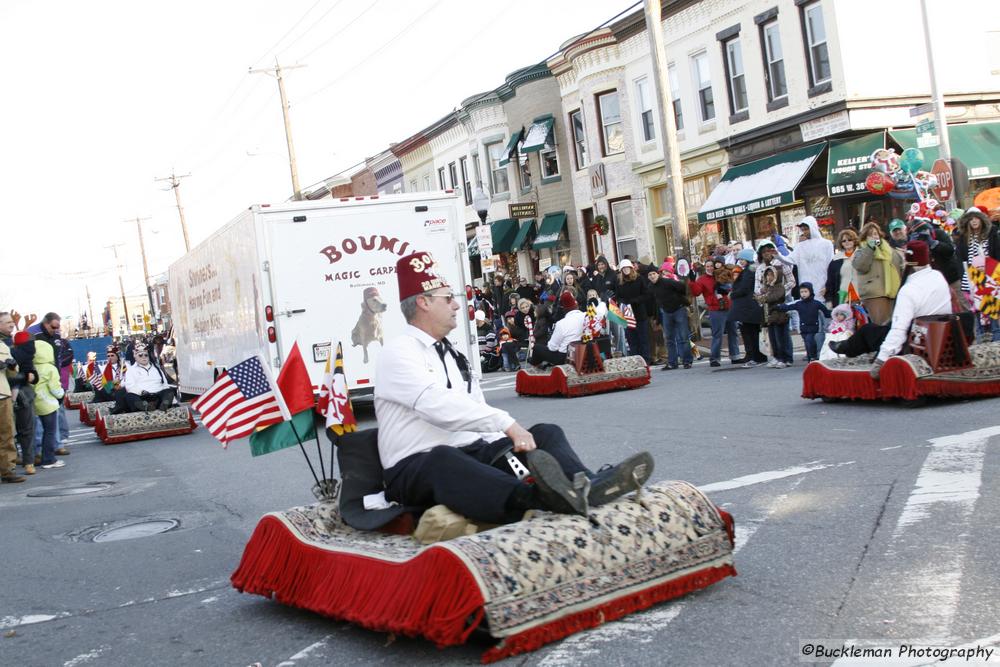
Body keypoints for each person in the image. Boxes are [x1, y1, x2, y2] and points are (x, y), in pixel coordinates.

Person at [374, 250, 653, 524]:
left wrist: (506, 441)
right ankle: (536, 498)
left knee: (545, 433)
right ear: (423, 302)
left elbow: (475, 409)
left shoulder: (451, 353)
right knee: (443, 458)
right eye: (448, 299)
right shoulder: (398, 353)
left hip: (468, 452)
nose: (457, 306)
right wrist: (507, 424)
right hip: (414, 465)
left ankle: (590, 485)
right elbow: (436, 406)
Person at [829, 241, 953, 378]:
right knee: (881, 327)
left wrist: (881, 360)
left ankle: (846, 348)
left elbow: (898, 331)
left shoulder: (909, 290)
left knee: (868, 331)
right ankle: (846, 346)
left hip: (914, 341)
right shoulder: (938, 277)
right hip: (938, 333)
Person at [773, 216, 834, 350]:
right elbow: (790, 260)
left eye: (806, 228)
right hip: (807, 288)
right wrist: (778, 255)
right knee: (812, 324)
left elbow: (831, 264)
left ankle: (827, 350)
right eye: (803, 229)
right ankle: (816, 351)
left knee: (827, 322)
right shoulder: (800, 246)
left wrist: (828, 285)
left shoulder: (826, 244)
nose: (805, 232)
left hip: (823, 288)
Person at [955, 208, 1000, 342]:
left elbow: (997, 255)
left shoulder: (992, 234)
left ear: (981, 219)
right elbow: (960, 259)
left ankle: (997, 343)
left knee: (993, 313)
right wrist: (964, 276)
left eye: (976, 218)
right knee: (976, 312)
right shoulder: (963, 237)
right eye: (971, 218)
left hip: (990, 276)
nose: (974, 221)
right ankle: (981, 342)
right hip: (971, 278)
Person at [690, 257, 740, 367]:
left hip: (729, 307)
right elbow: (696, 292)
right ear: (705, 268)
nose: (710, 268)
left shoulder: (723, 274)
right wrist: (692, 281)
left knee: (733, 332)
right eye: (707, 266)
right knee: (717, 334)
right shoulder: (702, 279)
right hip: (716, 309)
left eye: (711, 266)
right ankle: (715, 358)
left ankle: (735, 355)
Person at [853, 221, 905, 326]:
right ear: (865, 237)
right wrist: (870, 248)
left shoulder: (889, 249)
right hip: (875, 294)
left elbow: (899, 267)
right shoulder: (861, 250)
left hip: (892, 292)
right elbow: (860, 266)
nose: (873, 237)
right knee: (881, 325)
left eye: (875, 234)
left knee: (894, 325)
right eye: (870, 234)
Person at [728, 249, 768, 368]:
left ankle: (754, 357)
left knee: (750, 333)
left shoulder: (749, 271)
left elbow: (744, 288)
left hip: (748, 306)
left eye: (742, 259)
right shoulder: (750, 270)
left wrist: (733, 294)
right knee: (752, 332)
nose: (740, 261)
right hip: (749, 306)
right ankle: (757, 356)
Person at [648, 266, 692, 370]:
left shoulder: (667, 282)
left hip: (678, 310)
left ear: (658, 274)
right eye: (650, 275)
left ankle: (687, 361)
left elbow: (682, 287)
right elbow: (655, 303)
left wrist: (680, 299)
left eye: (654, 274)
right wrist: (657, 317)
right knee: (669, 339)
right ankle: (672, 362)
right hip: (666, 312)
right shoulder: (650, 287)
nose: (652, 276)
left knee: (683, 337)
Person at [776, 283, 832, 363]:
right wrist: (778, 307)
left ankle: (813, 357)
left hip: (813, 327)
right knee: (807, 343)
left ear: (810, 292)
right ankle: (810, 359)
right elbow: (788, 307)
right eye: (802, 292)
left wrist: (834, 312)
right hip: (803, 328)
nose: (803, 294)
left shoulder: (816, 303)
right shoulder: (799, 304)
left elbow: (826, 312)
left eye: (805, 291)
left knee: (810, 341)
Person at [529, 292, 586, 368]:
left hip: (565, 357)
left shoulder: (561, 323)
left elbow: (552, 347)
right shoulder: (586, 316)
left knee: (537, 347)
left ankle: (535, 365)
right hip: (584, 351)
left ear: (563, 309)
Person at [32, 339, 66, 469]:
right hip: (48, 404)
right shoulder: (50, 368)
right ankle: (49, 459)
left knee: (40, 431)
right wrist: (61, 394)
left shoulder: (33, 366)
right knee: (50, 432)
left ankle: (40, 455)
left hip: (36, 402)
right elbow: (55, 388)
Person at [0, 314, 25, 483]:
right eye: (8, 322)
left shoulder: (4, 346)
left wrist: (11, 365)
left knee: (7, 434)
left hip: (3, 395)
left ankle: (8, 470)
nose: (12, 325)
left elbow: (12, 373)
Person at [613, 259, 652, 363]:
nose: (626, 270)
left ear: (631, 268)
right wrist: (622, 301)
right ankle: (635, 359)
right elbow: (617, 295)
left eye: (627, 268)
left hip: (639, 312)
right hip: (627, 313)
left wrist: (635, 301)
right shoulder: (619, 281)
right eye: (623, 268)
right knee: (631, 338)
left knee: (643, 337)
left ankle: (646, 359)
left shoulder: (639, 279)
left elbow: (646, 294)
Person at [758, 266, 792, 368]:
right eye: (768, 275)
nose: (769, 277)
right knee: (773, 339)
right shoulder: (766, 288)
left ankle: (784, 358)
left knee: (780, 339)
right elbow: (760, 299)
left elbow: (774, 297)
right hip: (769, 317)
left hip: (779, 316)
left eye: (771, 275)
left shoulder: (779, 286)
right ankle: (777, 357)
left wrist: (764, 297)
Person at [825, 229, 860, 308]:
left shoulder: (862, 255)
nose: (847, 242)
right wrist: (829, 299)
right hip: (843, 298)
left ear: (854, 241)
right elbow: (831, 282)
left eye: (849, 239)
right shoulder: (836, 260)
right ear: (841, 243)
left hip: (862, 297)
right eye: (844, 241)